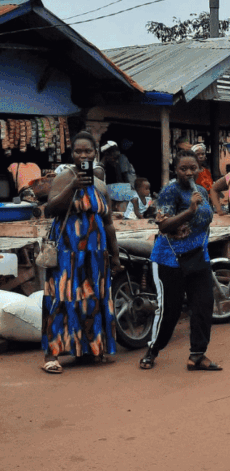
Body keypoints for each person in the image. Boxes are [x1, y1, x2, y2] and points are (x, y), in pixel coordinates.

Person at [41, 131, 120, 374]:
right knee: (62, 299)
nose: (83, 155)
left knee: (92, 300)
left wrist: (115, 256)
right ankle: (52, 355)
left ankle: (89, 349)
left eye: (87, 151)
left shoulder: (100, 184)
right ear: (72, 154)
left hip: (95, 253)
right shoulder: (64, 178)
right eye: (78, 151)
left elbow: (107, 223)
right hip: (68, 252)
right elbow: (50, 209)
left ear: (95, 154)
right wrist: (72, 187)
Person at [139, 148, 222, 372]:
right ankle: (152, 350)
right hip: (170, 259)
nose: (188, 172)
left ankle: (197, 355)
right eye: (183, 168)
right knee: (170, 311)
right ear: (175, 170)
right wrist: (190, 211)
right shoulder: (169, 192)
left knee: (204, 305)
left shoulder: (202, 192)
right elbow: (164, 225)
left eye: (192, 168)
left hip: (198, 258)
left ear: (199, 169)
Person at [100, 141, 136, 206]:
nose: (116, 161)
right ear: (107, 154)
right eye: (114, 158)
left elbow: (123, 179)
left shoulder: (119, 161)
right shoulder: (100, 168)